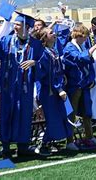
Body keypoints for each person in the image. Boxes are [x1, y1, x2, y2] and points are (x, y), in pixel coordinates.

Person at [0, 12, 43, 158]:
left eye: (18, 24)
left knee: (24, 115)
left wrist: (35, 62)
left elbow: (45, 62)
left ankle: (22, 147)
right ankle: (5, 148)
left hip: (25, 88)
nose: (15, 27)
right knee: (7, 115)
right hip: (8, 87)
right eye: (15, 24)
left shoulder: (36, 45)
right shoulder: (6, 40)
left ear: (27, 27)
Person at [33, 27, 72, 156]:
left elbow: (58, 71)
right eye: (51, 33)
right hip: (48, 91)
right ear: (44, 38)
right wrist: (59, 88)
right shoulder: (44, 54)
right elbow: (48, 75)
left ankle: (49, 143)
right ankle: (43, 145)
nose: (54, 34)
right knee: (53, 119)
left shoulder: (53, 51)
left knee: (60, 116)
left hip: (57, 89)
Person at [62, 25, 96, 150]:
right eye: (84, 36)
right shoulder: (69, 48)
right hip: (74, 85)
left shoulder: (83, 46)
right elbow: (81, 58)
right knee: (72, 113)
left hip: (84, 84)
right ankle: (69, 141)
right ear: (78, 35)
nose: (86, 38)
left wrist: (92, 79)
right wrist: (93, 48)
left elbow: (89, 64)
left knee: (87, 112)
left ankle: (89, 137)